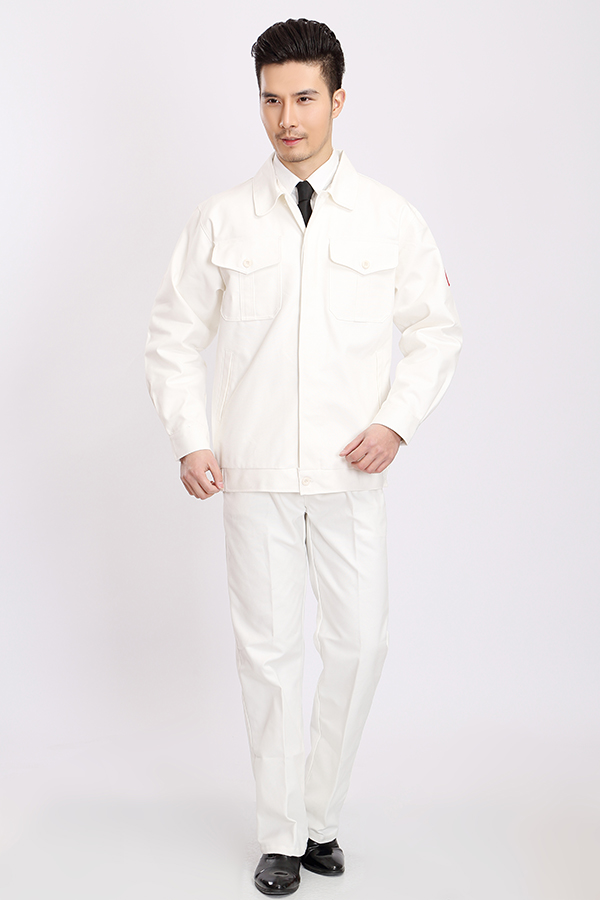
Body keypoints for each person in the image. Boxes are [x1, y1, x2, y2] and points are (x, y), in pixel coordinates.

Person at [145, 17, 462, 896]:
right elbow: (173, 336)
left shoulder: (389, 219)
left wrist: (396, 422)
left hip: (350, 471)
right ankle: (285, 834)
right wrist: (191, 436)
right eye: (271, 100)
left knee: (360, 645)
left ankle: (321, 812)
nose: (287, 119)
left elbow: (435, 333)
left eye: (305, 98)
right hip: (252, 474)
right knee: (271, 657)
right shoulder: (222, 220)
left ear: (338, 99)